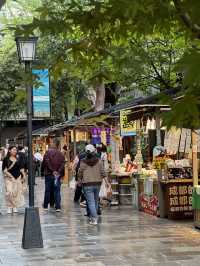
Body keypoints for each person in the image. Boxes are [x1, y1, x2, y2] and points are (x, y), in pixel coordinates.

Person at [78, 144, 106, 225]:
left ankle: (94, 219)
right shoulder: (99, 161)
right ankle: (93, 217)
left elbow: (80, 172)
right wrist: (107, 183)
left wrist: (79, 180)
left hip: (87, 184)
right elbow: (103, 172)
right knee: (95, 201)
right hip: (97, 183)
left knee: (90, 202)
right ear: (94, 151)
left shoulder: (83, 162)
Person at [42, 141, 65, 212]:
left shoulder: (47, 153)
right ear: (58, 146)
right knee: (57, 191)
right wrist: (58, 172)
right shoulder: (61, 154)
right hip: (57, 175)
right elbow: (62, 164)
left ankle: (45, 205)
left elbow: (45, 163)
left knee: (47, 190)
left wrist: (51, 171)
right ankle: (58, 206)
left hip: (49, 174)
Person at [2, 146, 26, 214]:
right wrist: (11, 177)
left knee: (16, 193)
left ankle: (15, 206)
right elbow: (4, 170)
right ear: (9, 150)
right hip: (9, 178)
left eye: (16, 150)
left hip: (18, 177)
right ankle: (9, 207)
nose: (15, 151)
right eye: (13, 150)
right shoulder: (6, 159)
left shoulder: (18, 158)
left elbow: (21, 168)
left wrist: (24, 176)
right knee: (9, 192)